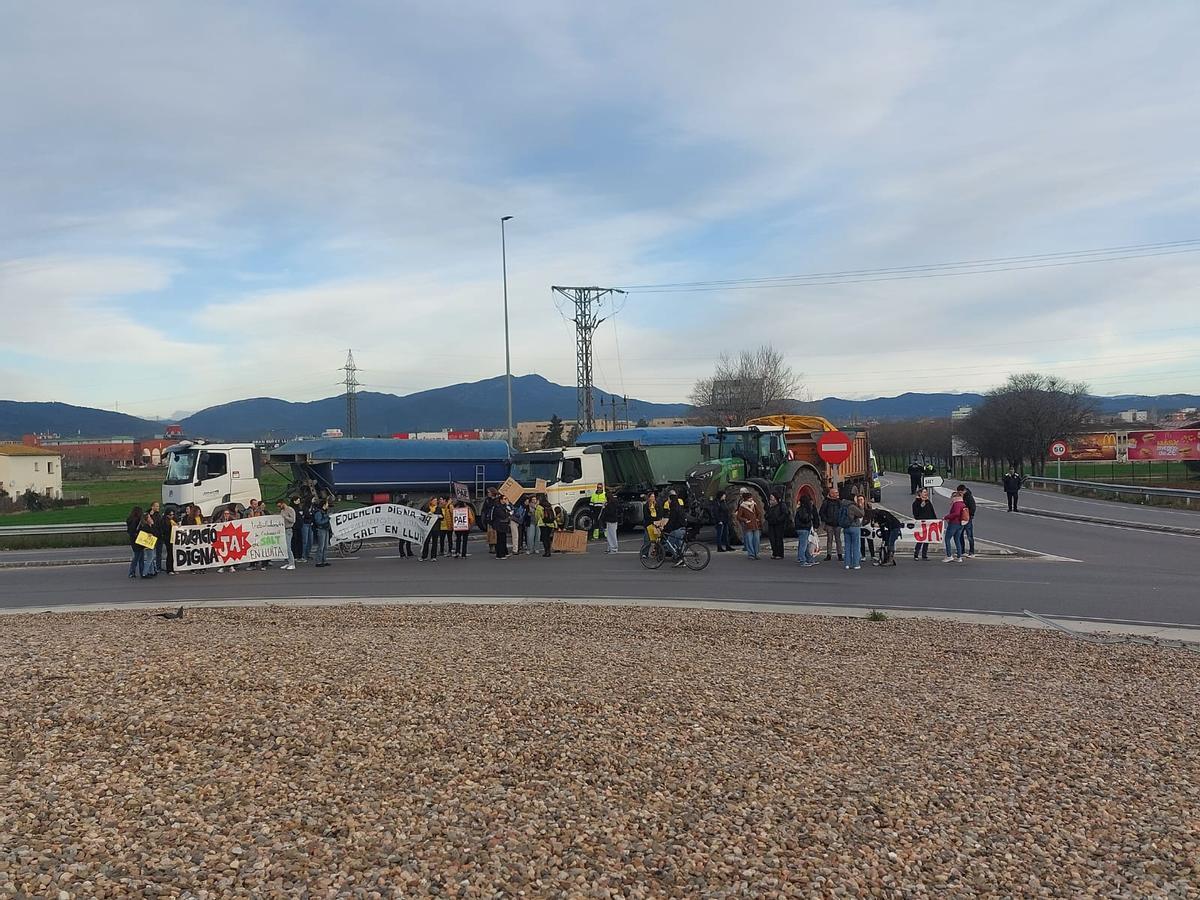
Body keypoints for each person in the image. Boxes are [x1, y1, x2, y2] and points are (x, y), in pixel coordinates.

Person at [660, 489, 689, 567]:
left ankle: (679, 558)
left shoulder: (673, 508)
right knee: (679, 544)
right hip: (683, 528)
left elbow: (671, 521)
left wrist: (665, 528)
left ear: (670, 498)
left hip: (677, 529)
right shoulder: (679, 505)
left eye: (669, 499)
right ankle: (683, 559)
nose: (668, 500)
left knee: (669, 543)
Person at [793, 493, 820, 566]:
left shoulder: (800, 509)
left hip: (801, 528)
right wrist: (810, 517)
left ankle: (809, 559)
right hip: (804, 528)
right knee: (804, 545)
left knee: (806, 545)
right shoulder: (804, 509)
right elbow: (805, 518)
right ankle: (802, 560)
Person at [734, 490, 762, 560]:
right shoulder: (742, 506)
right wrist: (745, 520)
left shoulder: (754, 504)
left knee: (756, 540)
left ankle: (756, 553)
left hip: (755, 525)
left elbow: (759, 513)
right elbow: (739, 517)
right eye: (750, 497)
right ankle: (751, 554)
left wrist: (758, 519)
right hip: (748, 525)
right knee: (749, 540)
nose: (751, 499)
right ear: (747, 498)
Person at [841, 494, 865, 571]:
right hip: (854, 527)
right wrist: (861, 506)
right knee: (856, 546)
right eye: (855, 498)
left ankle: (847, 564)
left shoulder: (843, 505)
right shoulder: (852, 506)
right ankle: (855, 564)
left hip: (845, 527)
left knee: (847, 546)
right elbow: (861, 514)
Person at [819, 487, 843, 562]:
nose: (837, 494)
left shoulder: (839, 502)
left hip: (838, 524)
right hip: (829, 524)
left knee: (838, 540)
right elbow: (821, 512)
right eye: (836, 493)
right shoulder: (826, 502)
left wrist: (840, 520)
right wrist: (826, 520)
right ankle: (828, 555)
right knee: (829, 539)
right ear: (831, 494)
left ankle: (840, 555)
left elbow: (842, 512)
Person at [912, 488, 936, 560]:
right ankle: (916, 554)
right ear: (920, 493)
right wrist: (921, 506)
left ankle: (924, 555)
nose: (926, 493)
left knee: (927, 539)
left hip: (929, 522)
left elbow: (932, 511)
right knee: (920, 539)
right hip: (921, 523)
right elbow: (915, 514)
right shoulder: (916, 503)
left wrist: (935, 520)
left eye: (926, 492)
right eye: (924, 492)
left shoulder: (928, 501)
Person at [942, 490, 967, 563]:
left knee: (947, 539)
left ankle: (949, 556)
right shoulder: (963, 503)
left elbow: (956, 513)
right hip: (961, 524)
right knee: (957, 539)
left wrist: (946, 517)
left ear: (955, 497)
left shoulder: (956, 504)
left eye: (952, 497)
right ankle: (959, 557)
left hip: (954, 523)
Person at [140, 502, 160, 577]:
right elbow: (150, 533)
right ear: (146, 519)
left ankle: (152, 571)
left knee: (151, 558)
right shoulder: (145, 526)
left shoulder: (150, 525)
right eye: (149, 517)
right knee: (150, 558)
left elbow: (156, 533)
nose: (151, 518)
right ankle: (145, 573)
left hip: (152, 543)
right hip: (147, 544)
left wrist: (153, 524)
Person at [957, 484, 977, 557]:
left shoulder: (969, 497)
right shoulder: (960, 497)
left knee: (969, 535)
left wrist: (970, 516)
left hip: (968, 519)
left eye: (960, 492)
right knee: (960, 535)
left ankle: (972, 552)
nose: (959, 494)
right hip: (960, 519)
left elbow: (973, 507)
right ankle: (962, 550)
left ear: (964, 491)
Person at [764, 493, 787, 559]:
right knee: (772, 539)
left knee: (778, 539)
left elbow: (784, 514)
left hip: (779, 525)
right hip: (771, 524)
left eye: (772, 497)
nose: (771, 499)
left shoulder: (781, 505)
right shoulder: (770, 506)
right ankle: (774, 553)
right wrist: (767, 517)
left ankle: (779, 554)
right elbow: (766, 514)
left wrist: (778, 520)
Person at [126, 505, 146, 579]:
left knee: (139, 557)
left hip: (133, 540)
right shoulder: (137, 520)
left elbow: (130, 531)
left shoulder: (130, 519)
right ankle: (135, 572)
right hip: (138, 540)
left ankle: (138, 572)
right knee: (138, 558)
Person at [277, 499, 296, 570]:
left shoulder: (290, 510)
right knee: (285, 547)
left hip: (289, 529)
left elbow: (293, 520)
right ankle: (289, 562)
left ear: (283, 503)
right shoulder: (282, 511)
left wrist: (285, 517)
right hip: (283, 529)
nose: (279, 507)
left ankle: (292, 563)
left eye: (279, 505)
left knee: (288, 547)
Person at [311, 500, 332, 567]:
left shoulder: (323, 512)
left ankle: (324, 560)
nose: (327, 505)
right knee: (321, 546)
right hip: (321, 530)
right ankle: (319, 561)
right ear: (323, 505)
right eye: (326, 504)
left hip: (325, 529)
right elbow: (319, 522)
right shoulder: (318, 512)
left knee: (325, 546)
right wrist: (327, 519)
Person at [481, 487, 499, 554]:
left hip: (495, 519)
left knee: (495, 534)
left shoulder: (497, 500)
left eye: (489, 492)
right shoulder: (487, 500)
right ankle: (491, 547)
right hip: (489, 519)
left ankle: (495, 547)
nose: (488, 494)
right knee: (490, 534)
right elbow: (484, 509)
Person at [299, 497, 315, 562]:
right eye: (313, 499)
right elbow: (307, 515)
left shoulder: (312, 506)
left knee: (310, 541)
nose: (314, 500)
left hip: (310, 524)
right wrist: (311, 514)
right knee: (305, 541)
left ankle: (307, 554)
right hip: (305, 524)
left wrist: (311, 515)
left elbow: (312, 514)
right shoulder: (305, 507)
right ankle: (303, 555)